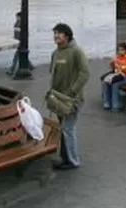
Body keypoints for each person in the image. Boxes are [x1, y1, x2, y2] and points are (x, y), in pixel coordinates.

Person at [48, 23, 89, 171]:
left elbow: (85, 73)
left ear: (67, 35)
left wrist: (72, 91)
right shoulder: (56, 53)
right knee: (63, 129)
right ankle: (65, 158)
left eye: (59, 34)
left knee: (67, 129)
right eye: (54, 34)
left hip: (72, 99)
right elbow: (53, 74)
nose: (56, 36)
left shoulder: (76, 51)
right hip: (58, 98)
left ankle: (73, 161)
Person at [101, 43, 126, 112]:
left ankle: (115, 104)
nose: (120, 51)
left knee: (115, 84)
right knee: (106, 82)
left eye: (122, 50)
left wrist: (124, 67)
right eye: (119, 50)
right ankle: (107, 102)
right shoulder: (118, 57)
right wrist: (112, 63)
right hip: (118, 75)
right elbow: (113, 68)